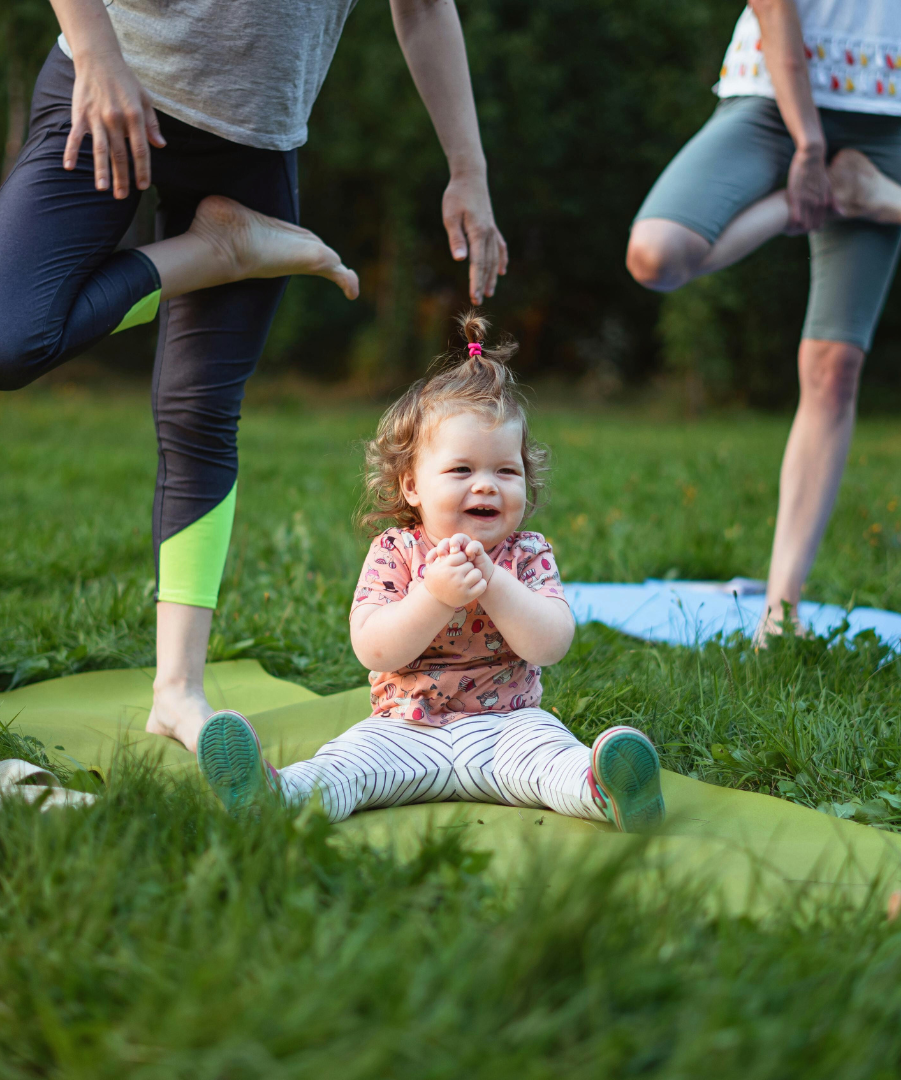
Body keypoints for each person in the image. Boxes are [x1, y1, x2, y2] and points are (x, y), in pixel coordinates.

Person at [0, 0, 509, 749]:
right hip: (111, 86)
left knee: (198, 413)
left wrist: (467, 169)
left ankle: (178, 691)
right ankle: (222, 252)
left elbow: (424, 8)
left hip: (253, 147)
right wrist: (96, 52)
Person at [196, 313, 666, 833]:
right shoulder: (395, 550)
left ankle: (608, 789)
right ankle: (276, 796)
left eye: (506, 471)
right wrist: (435, 597)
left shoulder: (527, 553)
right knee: (347, 767)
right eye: (462, 470)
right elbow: (374, 649)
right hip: (402, 730)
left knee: (552, 761)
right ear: (413, 486)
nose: (486, 486)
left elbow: (550, 644)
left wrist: (496, 584)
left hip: (507, 727)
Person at [625, 0, 901, 634]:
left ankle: (782, 611)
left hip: (886, 113)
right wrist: (808, 149)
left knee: (834, 369)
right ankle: (845, 196)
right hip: (772, 97)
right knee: (657, 253)